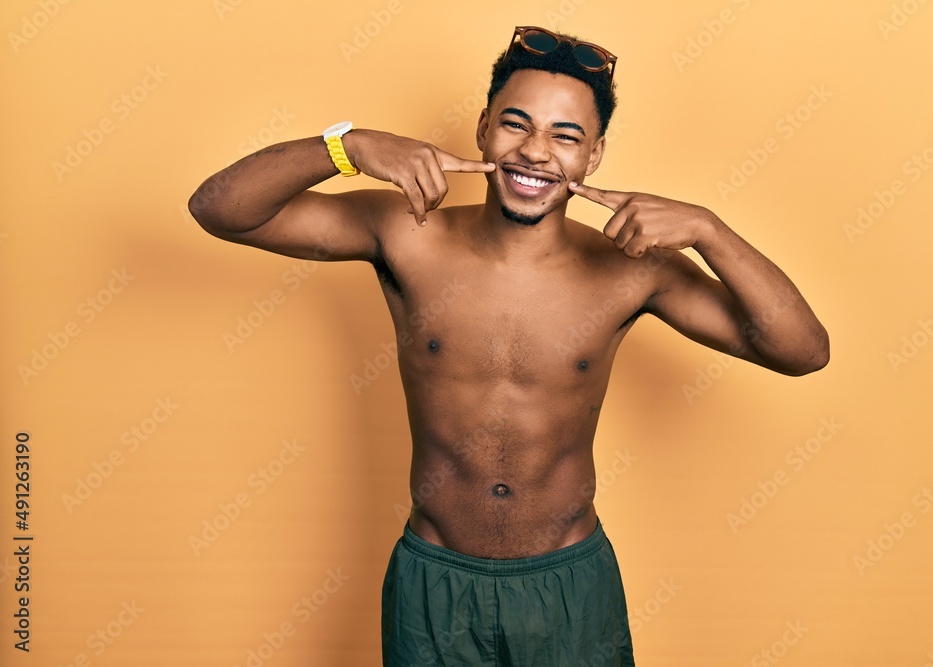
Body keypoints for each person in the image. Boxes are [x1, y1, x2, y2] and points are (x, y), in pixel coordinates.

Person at [189, 25, 829, 667]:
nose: (535, 152)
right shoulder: (408, 237)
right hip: (434, 585)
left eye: (565, 135)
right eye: (515, 125)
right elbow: (221, 209)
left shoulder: (632, 270)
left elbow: (802, 351)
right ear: (482, 129)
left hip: (568, 587)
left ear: (594, 155)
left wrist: (709, 231)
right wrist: (346, 147)